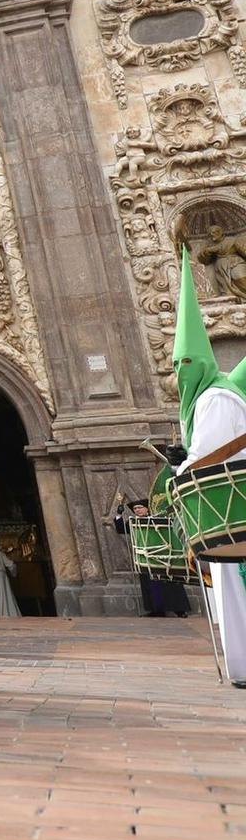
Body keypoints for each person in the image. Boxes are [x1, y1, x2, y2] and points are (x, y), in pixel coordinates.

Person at [168, 255, 246, 687]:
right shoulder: (212, 396)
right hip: (229, 502)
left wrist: (180, 468)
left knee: (236, 586)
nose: (181, 373)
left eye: (186, 364)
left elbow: (210, 453)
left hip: (230, 506)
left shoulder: (213, 399)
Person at [113, 500, 191, 616]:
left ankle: (180, 610)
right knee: (152, 586)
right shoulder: (134, 522)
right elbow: (121, 530)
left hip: (163, 556)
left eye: (140, 507)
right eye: (135, 509)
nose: (137, 510)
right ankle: (157, 610)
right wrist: (119, 515)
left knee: (171, 583)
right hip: (146, 557)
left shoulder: (158, 519)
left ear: (147, 509)